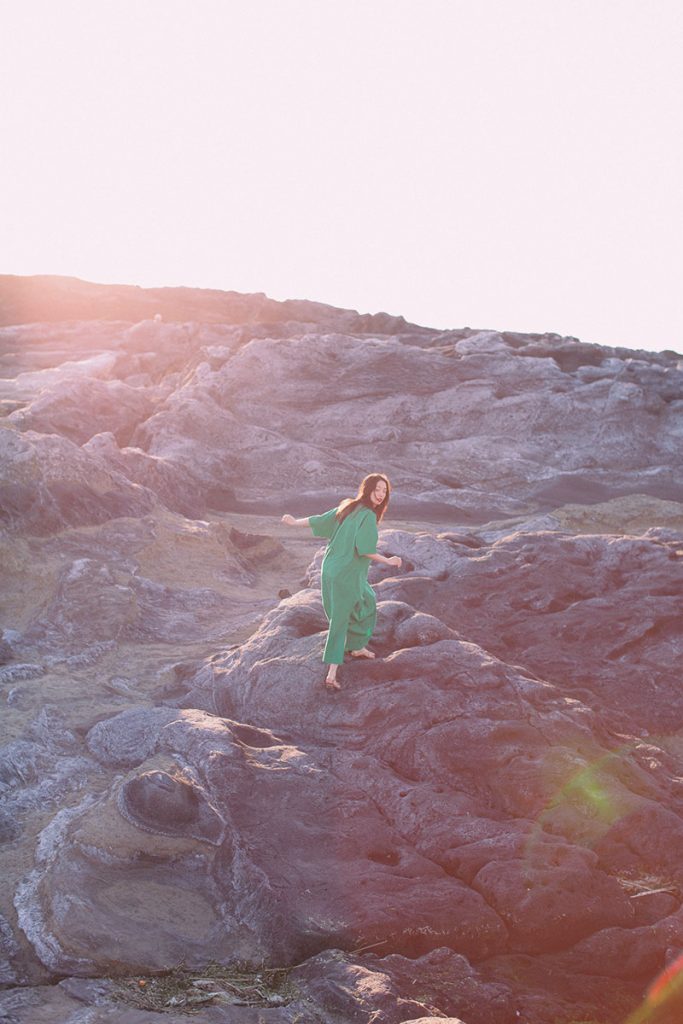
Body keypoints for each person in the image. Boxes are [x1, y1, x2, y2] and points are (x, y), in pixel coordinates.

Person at [282, 473, 402, 691]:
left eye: (384, 492)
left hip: (331, 569)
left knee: (367, 599)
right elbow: (365, 550)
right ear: (368, 489)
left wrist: (293, 522)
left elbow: (318, 519)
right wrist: (389, 560)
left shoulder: (348, 506)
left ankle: (356, 647)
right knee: (341, 620)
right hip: (347, 573)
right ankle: (332, 673)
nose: (381, 495)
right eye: (377, 489)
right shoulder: (367, 516)